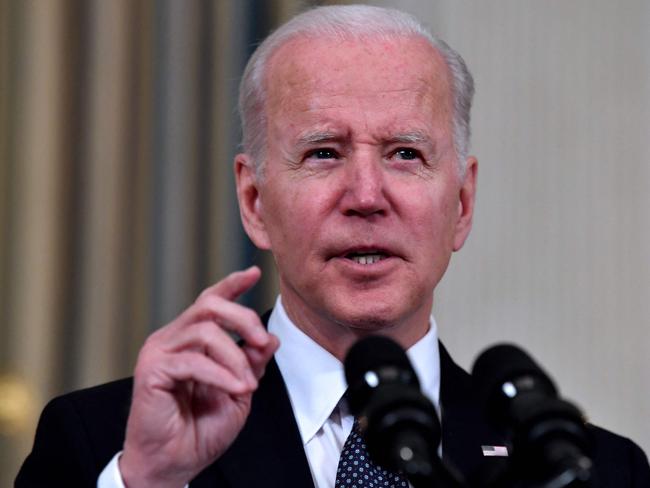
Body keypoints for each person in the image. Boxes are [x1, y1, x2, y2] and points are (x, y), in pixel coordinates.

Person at [16, 5, 650, 488]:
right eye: (324, 153)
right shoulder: (106, 444)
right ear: (254, 202)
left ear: (461, 203)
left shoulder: (590, 470)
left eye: (406, 154)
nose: (367, 195)